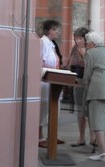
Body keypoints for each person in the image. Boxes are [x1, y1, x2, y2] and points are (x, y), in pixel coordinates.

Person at [81, 31, 105, 161]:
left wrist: (84, 83)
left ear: (92, 43)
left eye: (87, 43)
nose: (86, 46)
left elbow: (88, 72)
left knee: (97, 120)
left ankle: (102, 152)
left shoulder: (90, 53)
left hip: (98, 88)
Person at [38, 19, 63, 147]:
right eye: (54, 29)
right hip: (44, 81)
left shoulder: (52, 44)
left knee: (54, 109)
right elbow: (38, 63)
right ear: (48, 31)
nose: (57, 32)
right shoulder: (41, 43)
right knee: (42, 110)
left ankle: (51, 135)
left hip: (54, 81)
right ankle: (39, 137)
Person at [67, 27, 90, 148]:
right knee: (80, 110)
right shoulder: (74, 48)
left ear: (85, 38)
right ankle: (81, 138)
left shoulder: (91, 48)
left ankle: (94, 138)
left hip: (89, 82)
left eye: (80, 38)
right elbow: (70, 62)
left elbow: (91, 64)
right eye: (76, 38)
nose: (78, 41)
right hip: (77, 80)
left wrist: (84, 55)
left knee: (90, 111)